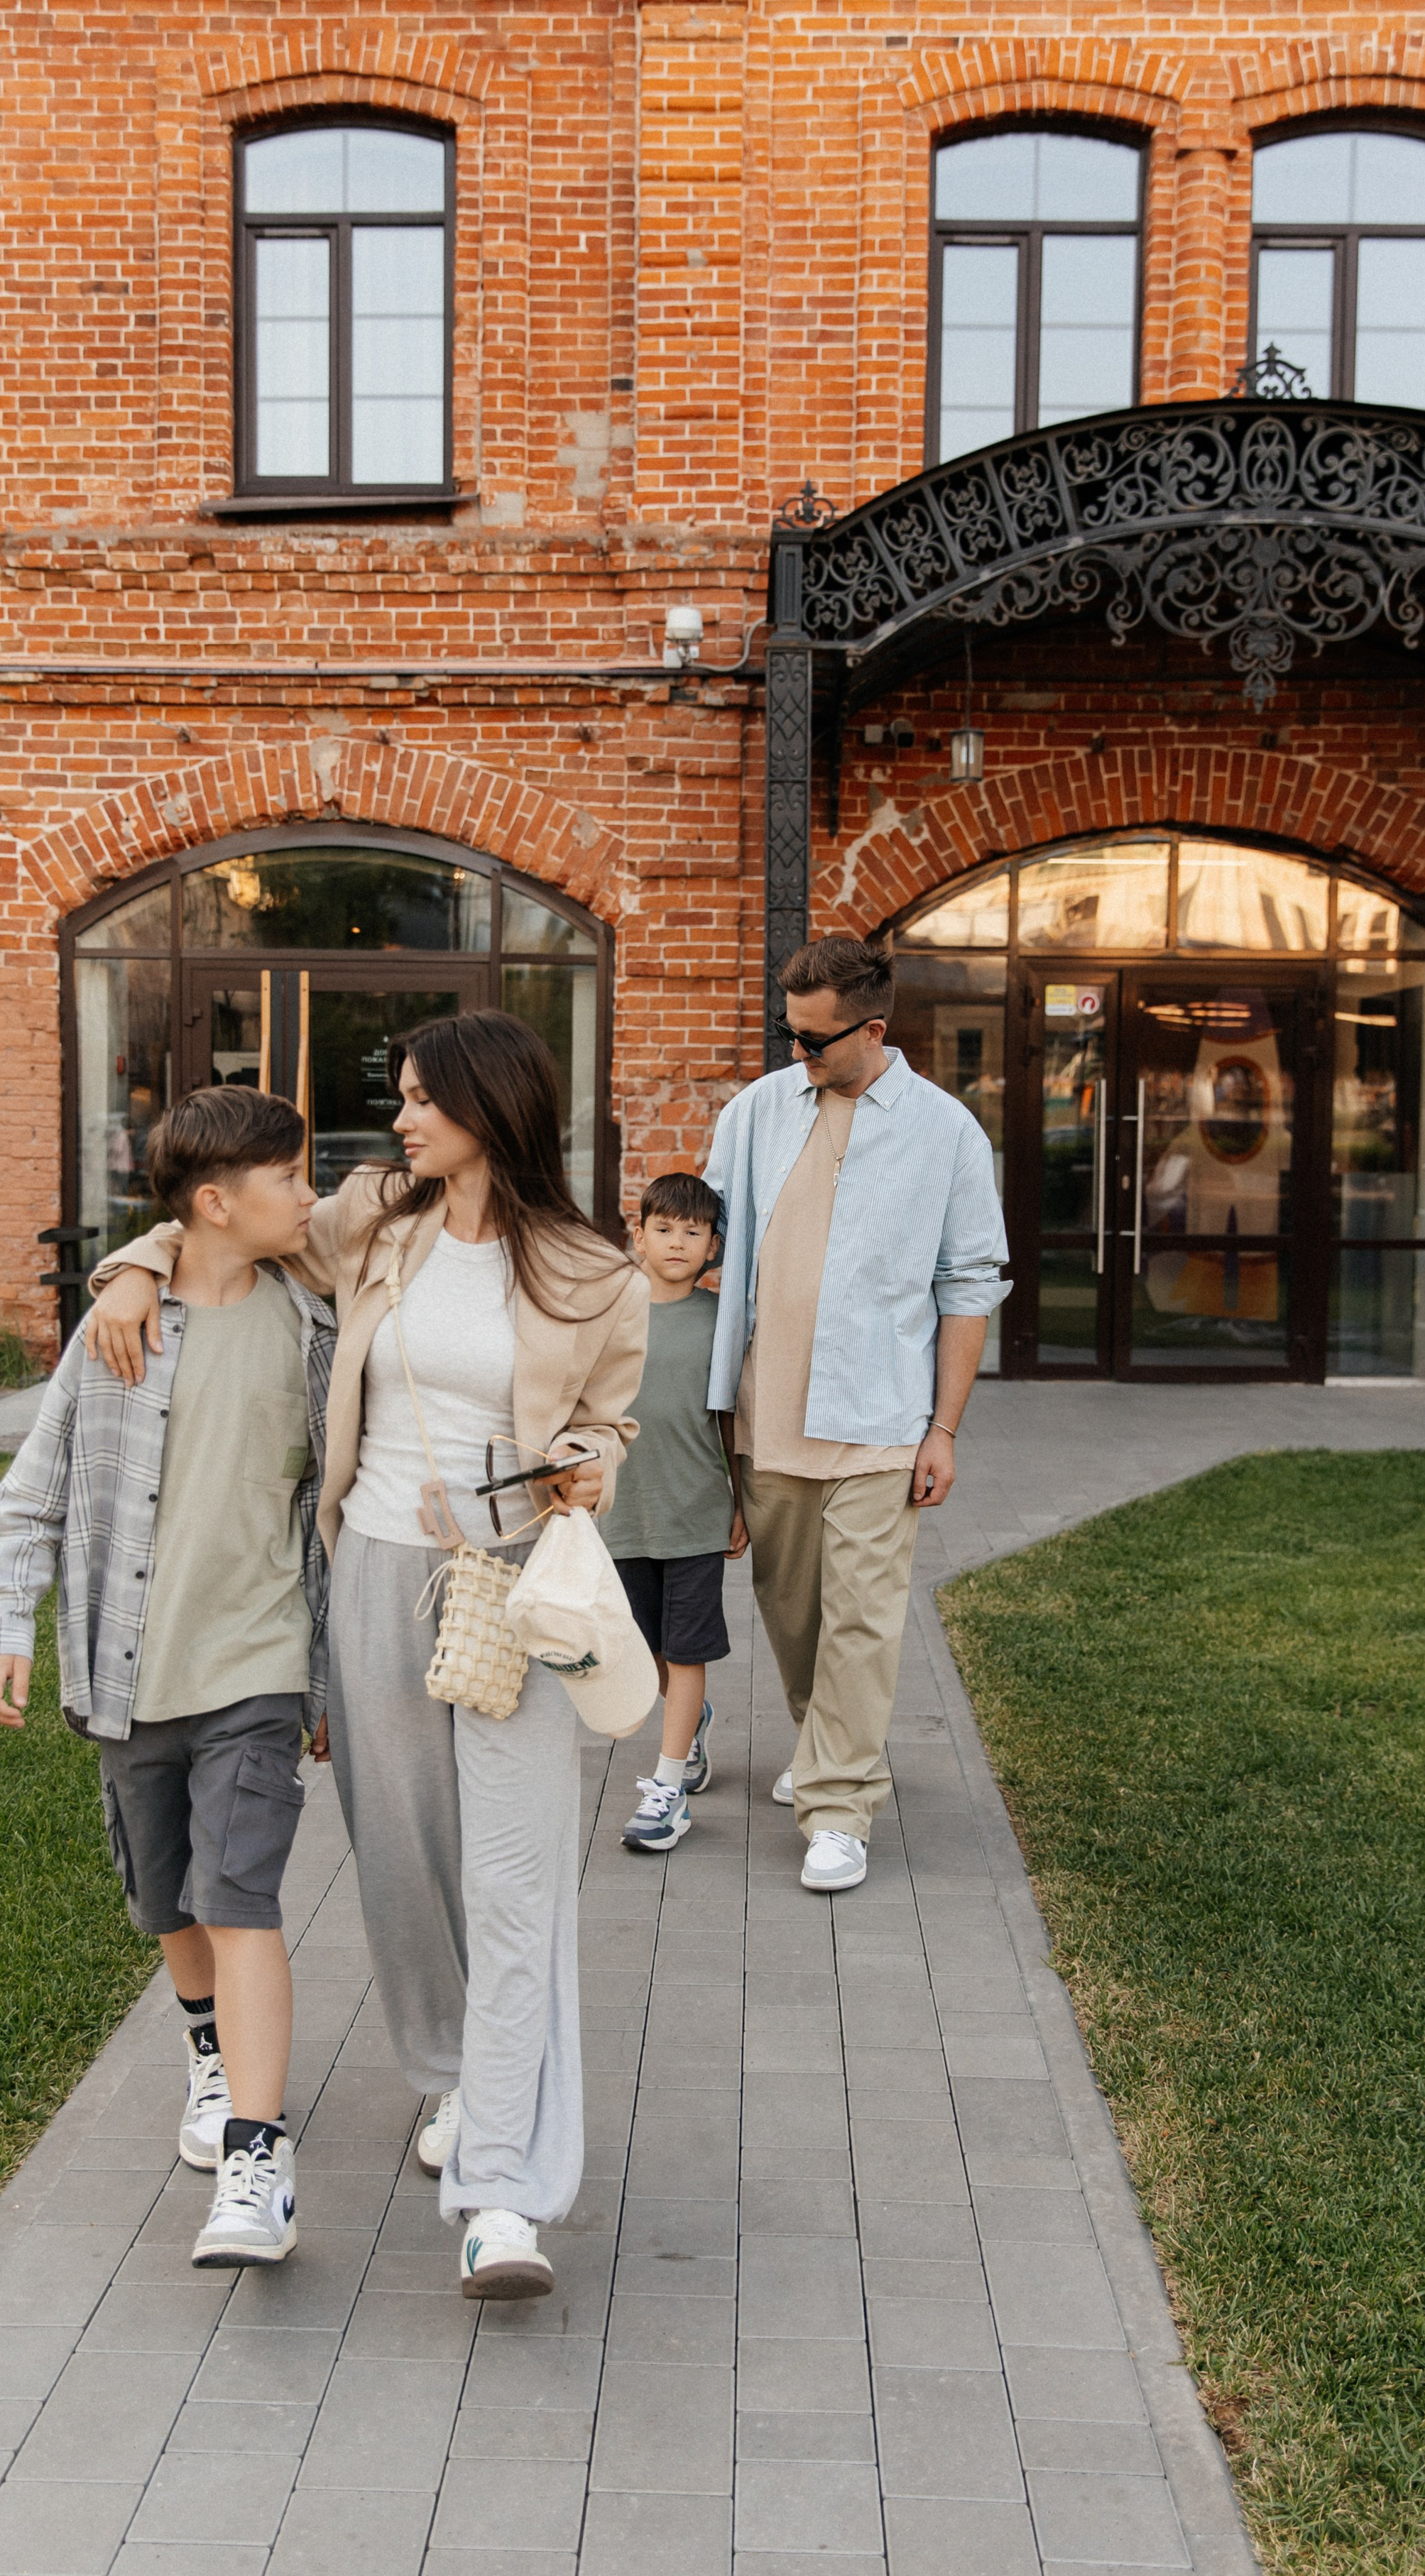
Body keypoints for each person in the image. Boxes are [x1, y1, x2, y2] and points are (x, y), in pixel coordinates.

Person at [84, 1010, 648, 2300]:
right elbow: (219, 1223)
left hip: (511, 1589)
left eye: (416, 1101)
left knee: (514, 1875)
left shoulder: (591, 1271)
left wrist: (589, 1468)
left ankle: (503, 2193)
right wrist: (130, 1266)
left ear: (488, 1106)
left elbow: (613, 1418)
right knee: (397, 1860)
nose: (397, 1121)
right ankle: (448, 2079)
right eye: (397, 1100)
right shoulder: (372, 1225)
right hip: (373, 1575)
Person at [0, 1086, 334, 2269]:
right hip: (129, 1672)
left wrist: (324, 1678)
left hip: (259, 1664)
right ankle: (208, 2049)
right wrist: (3, 1630)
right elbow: (24, 1502)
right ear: (218, 1204)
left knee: (242, 1897)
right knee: (167, 1898)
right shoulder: (120, 1333)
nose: (311, 1195)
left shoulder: (318, 1326)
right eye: (291, 1179)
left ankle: (255, 2159)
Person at [704, 935, 1010, 1894]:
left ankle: (839, 1807)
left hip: (881, 1420)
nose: (797, 1053)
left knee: (863, 1621)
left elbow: (969, 1284)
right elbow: (704, 1253)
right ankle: (827, 1740)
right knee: (793, 1612)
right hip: (766, 1418)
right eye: (788, 1034)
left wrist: (944, 1429)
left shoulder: (948, 1131)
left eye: (814, 1040)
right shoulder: (757, 1112)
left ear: (874, 1029)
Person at [606, 1172, 748, 1853]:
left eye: (694, 1232)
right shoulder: (612, 1312)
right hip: (622, 1513)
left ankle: (667, 1792)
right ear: (639, 1234)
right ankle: (691, 1723)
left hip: (694, 1512)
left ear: (713, 1246)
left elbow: (732, 1422)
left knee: (684, 1649)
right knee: (645, 1649)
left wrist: (740, 1502)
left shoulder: (723, 1322)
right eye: (663, 1229)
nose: (677, 1242)